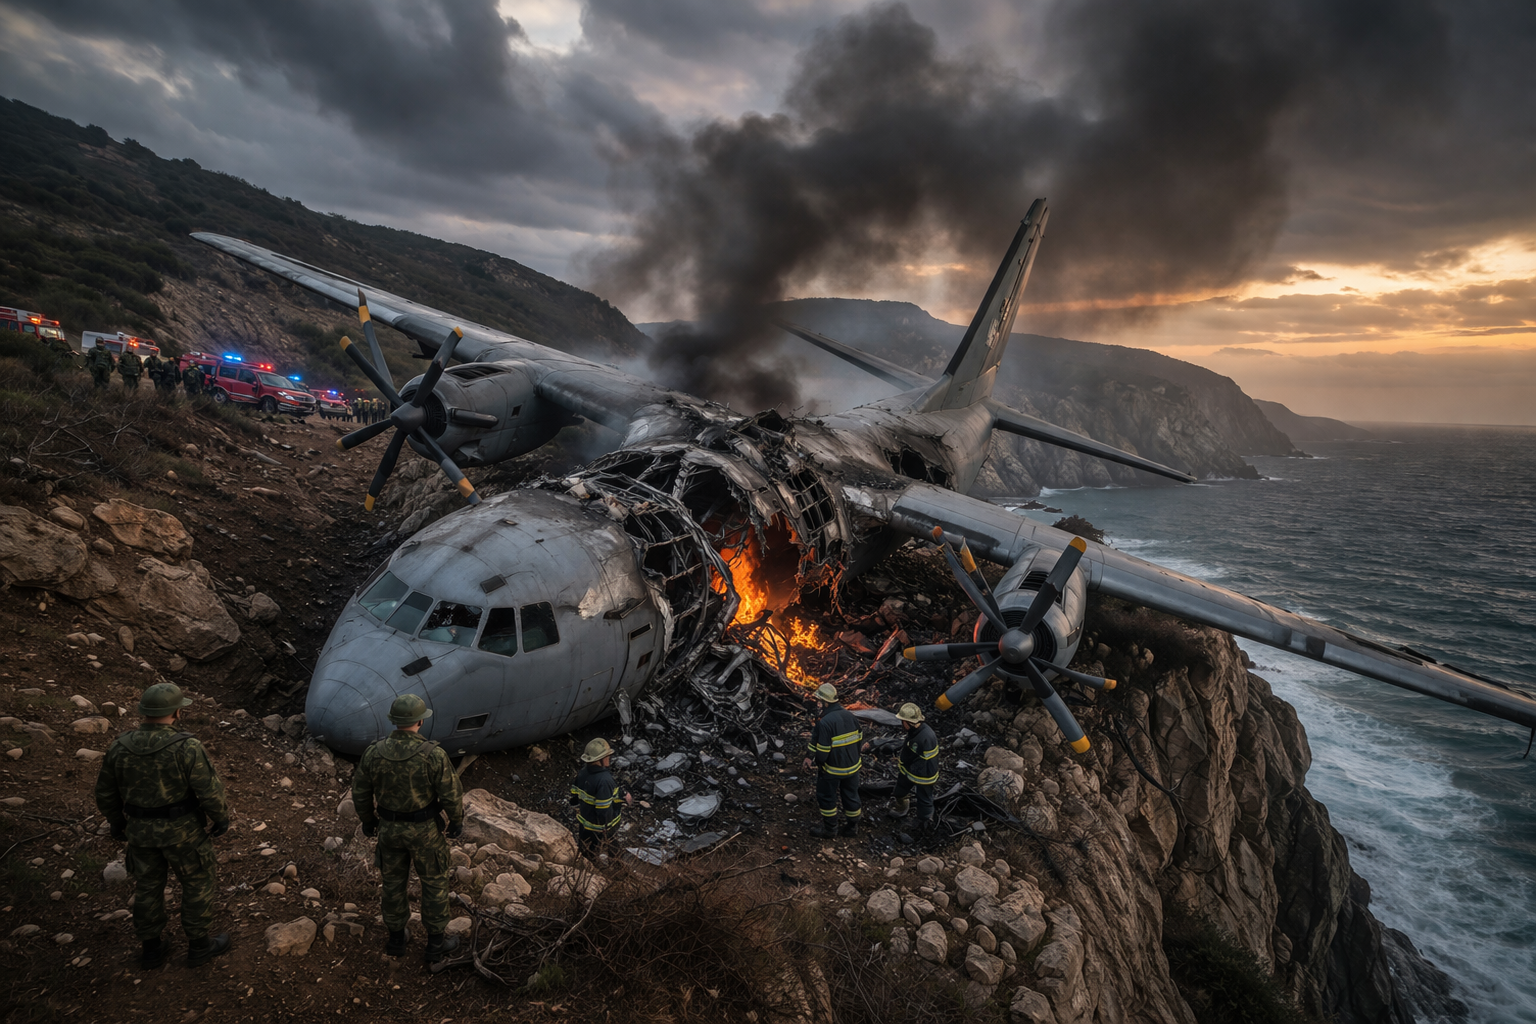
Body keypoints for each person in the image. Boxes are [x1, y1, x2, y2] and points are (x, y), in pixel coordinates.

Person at [93, 682, 232, 969]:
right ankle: (199, 946)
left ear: (143, 712)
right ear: (177, 713)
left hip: (140, 833)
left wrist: (117, 823)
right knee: (196, 883)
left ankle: (151, 949)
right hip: (184, 833)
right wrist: (220, 818)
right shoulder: (187, 746)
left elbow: (105, 793)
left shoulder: (119, 746)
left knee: (147, 887)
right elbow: (209, 790)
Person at [351, 694, 465, 963]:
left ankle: (396, 939)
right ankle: (435, 944)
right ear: (420, 721)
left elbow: (361, 792)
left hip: (389, 830)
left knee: (392, 884)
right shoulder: (433, 755)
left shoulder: (374, 752)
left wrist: (368, 821)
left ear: (394, 721)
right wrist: (456, 821)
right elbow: (451, 794)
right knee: (434, 883)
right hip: (425, 831)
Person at [803, 683, 862, 838]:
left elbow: (822, 752)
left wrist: (819, 765)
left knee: (826, 797)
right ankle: (852, 827)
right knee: (851, 795)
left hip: (833, 770)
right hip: (853, 767)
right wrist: (809, 755)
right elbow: (859, 741)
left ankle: (830, 830)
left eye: (819, 701)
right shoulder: (851, 716)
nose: (817, 704)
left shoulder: (826, 722)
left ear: (825, 703)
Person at [569, 738, 631, 858]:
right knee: (613, 850)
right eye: (607, 756)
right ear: (599, 760)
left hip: (585, 824)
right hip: (602, 827)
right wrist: (606, 826)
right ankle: (617, 865)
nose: (609, 758)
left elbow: (574, 795)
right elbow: (603, 809)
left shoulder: (583, 772)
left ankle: (586, 865)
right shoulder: (604, 780)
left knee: (587, 852)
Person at [887, 703, 939, 834]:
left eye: (902, 721)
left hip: (924, 775)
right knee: (900, 791)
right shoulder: (917, 731)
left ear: (909, 722)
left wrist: (904, 763)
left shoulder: (922, 738)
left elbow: (911, 756)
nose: (901, 724)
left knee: (924, 800)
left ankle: (925, 825)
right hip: (911, 770)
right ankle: (902, 808)